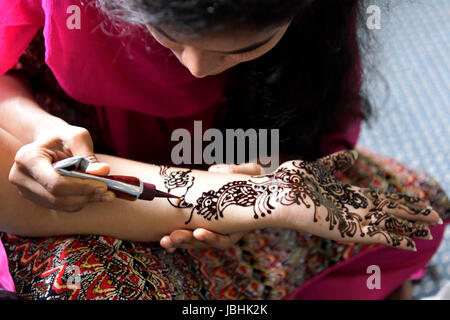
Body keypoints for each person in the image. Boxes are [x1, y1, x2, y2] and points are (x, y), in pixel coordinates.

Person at [0, 0, 448, 300]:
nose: (196, 70)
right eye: (168, 36)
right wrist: (245, 203)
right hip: (104, 179)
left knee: (416, 208)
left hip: (230, 172)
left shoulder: (318, 26)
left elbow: (312, 133)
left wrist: (252, 191)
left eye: (245, 48)